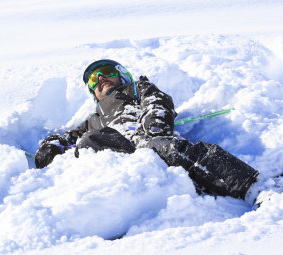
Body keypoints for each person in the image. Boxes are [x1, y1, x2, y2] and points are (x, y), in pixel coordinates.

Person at [34, 59, 261, 203]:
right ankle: (106, 205)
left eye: (105, 72)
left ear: (121, 75)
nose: (100, 79)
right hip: (114, 156)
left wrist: (154, 123)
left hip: (143, 137)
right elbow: (66, 138)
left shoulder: (136, 88)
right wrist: (50, 147)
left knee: (168, 148)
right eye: (94, 79)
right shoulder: (94, 121)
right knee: (88, 141)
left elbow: (157, 102)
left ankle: (252, 188)